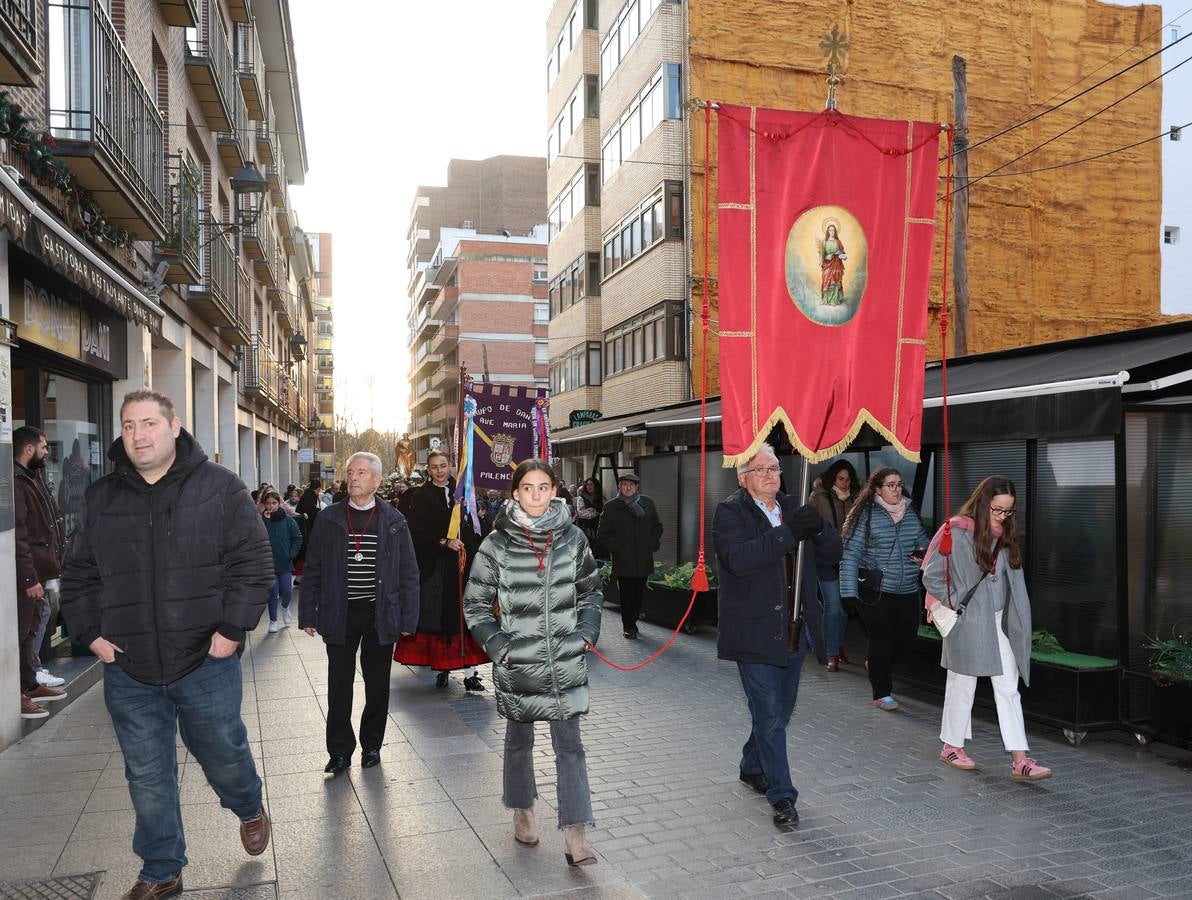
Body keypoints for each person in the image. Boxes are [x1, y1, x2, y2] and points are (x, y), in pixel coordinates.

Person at [60, 390, 273, 899]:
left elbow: (254, 563)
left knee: (223, 753)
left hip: (204, 659)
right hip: (129, 667)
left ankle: (248, 805)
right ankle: (162, 869)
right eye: (129, 425)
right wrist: (91, 635)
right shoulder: (101, 497)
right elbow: (78, 574)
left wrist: (231, 630)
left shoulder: (221, 489)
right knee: (147, 776)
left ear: (174, 426)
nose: (138, 435)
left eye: (149, 423)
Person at [463, 459, 602, 867]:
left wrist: (587, 634)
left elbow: (591, 592)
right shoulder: (497, 543)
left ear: (556, 490)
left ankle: (575, 832)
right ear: (515, 492)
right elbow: (475, 604)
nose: (536, 495)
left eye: (544, 487)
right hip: (518, 660)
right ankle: (523, 811)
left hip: (564, 661)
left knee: (570, 747)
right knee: (519, 741)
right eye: (527, 488)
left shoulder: (574, 539)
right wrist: (499, 645)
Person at [713, 443, 837, 829]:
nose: (771, 475)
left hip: (793, 628)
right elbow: (740, 560)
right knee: (769, 715)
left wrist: (817, 526)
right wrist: (788, 533)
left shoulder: (795, 507)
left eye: (776, 468)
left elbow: (834, 552)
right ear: (743, 476)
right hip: (753, 632)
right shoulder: (730, 511)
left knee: (780, 712)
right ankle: (782, 796)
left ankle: (752, 764)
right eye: (762, 469)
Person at [922, 476, 1052, 781]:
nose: (1002, 516)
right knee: (962, 683)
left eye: (1008, 511)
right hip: (968, 620)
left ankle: (1020, 757)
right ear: (983, 503)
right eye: (997, 509)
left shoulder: (1006, 535)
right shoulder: (956, 529)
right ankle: (951, 745)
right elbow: (931, 575)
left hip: (999, 621)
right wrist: (954, 603)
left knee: (1008, 686)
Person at [300, 452, 420, 774]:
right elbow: (313, 569)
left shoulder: (394, 521)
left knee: (377, 683)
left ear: (377, 480)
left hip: (380, 613)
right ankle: (339, 751)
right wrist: (308, 614)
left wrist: (409, 618)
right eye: (351, 472)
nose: (353, 478)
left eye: (362, 473)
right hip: (340, 612)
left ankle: (372, 746)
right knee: (339, 684)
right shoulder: (329, 519)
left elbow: (409, 572)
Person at [395, 450, 490, 689]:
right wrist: (444, 541)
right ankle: (443, 667)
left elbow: (479, 528)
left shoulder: (464, 491)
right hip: (436, 568)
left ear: (450, 467)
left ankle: (470, 673)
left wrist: (473, 516)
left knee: (465, 616)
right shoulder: (421, 496)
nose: (439, 470)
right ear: (429, 470)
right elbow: (416, 531)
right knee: (439, 616)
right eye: (434, 466)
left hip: (462, 565)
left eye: (443, 465)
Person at [839, 467, 930, 712]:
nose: (897, 489)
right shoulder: (866, 516)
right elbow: (850, 555)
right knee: (881, 639)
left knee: (906, 637)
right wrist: (848, 592)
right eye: (890, 485)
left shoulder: (910, 513)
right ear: (877, 489)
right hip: (875, 590)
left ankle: (877, 665)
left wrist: (917, 558)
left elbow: (924, 544)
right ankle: (882, 692)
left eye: (899, 484)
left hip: (908, 588)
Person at [14, 426, 67, 719]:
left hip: (41, 570)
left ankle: (30, 684)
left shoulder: (32, 478)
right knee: (23, 632)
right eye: (44, 447)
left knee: (34, 626)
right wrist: (29, 578)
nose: (47, 452)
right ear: (29, 448)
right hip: (30, 575)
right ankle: (20, 694)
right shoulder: (17, 480)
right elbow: (18, 535)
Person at [597, 472, 662, 640]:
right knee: (626, 594)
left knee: (639, 593)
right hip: (624, 559)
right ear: (619, 486)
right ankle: (628, 626)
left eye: (631, 485)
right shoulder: (611, 506)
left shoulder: (647, 503)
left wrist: (652, 543)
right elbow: (603, 534)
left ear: (637, 487)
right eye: (624, 484)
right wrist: (617, 549)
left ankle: (633, 621)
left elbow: (657, 526)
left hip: (643, 557)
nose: (627, 488)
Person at [808, 459, 860, 671]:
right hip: (825, 558)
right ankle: (832, 652)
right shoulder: (818, 498)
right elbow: (810, 526)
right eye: (841, 479)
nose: (845, 483)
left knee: (846, 607)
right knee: (833, 605)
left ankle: (836, 644)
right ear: (832, 478)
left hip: (849, 560)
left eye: (848, 479)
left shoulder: (857, 499)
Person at [261, 490, 302, 633]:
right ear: (264, 505)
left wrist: (290, 554)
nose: (271, 506)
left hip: (285, 563)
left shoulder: (288, 520)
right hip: (268, 564)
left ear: (279, 503)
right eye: (268, 503)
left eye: (274, 503)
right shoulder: (261, 521)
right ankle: (273, 621)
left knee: (287, 591)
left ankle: (285, 608)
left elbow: (298, 538)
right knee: (273, 593)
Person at [818, 222, 847, 306]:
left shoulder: (838, 242)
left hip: (836, 263)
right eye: (830, 230)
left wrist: (842, 256)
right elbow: (821, 253)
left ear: (835, 231)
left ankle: (834, 300)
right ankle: (826, 300)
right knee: (826, 278)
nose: (831, 232)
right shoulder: (824, 242)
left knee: (835, 278)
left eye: (833, 230)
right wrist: (821, 259)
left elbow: (843, 253)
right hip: (827, 263)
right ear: (828, 231)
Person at [575, 477, 604, 551]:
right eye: (587, 485)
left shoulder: (600, 498)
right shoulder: (581, 498)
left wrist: (594, 511)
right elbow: (581, 513)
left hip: (598, 527)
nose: (589, 487)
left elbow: (605, 511)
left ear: (595, 486)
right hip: (585, 527)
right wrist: (596, 513)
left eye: (591, 484)